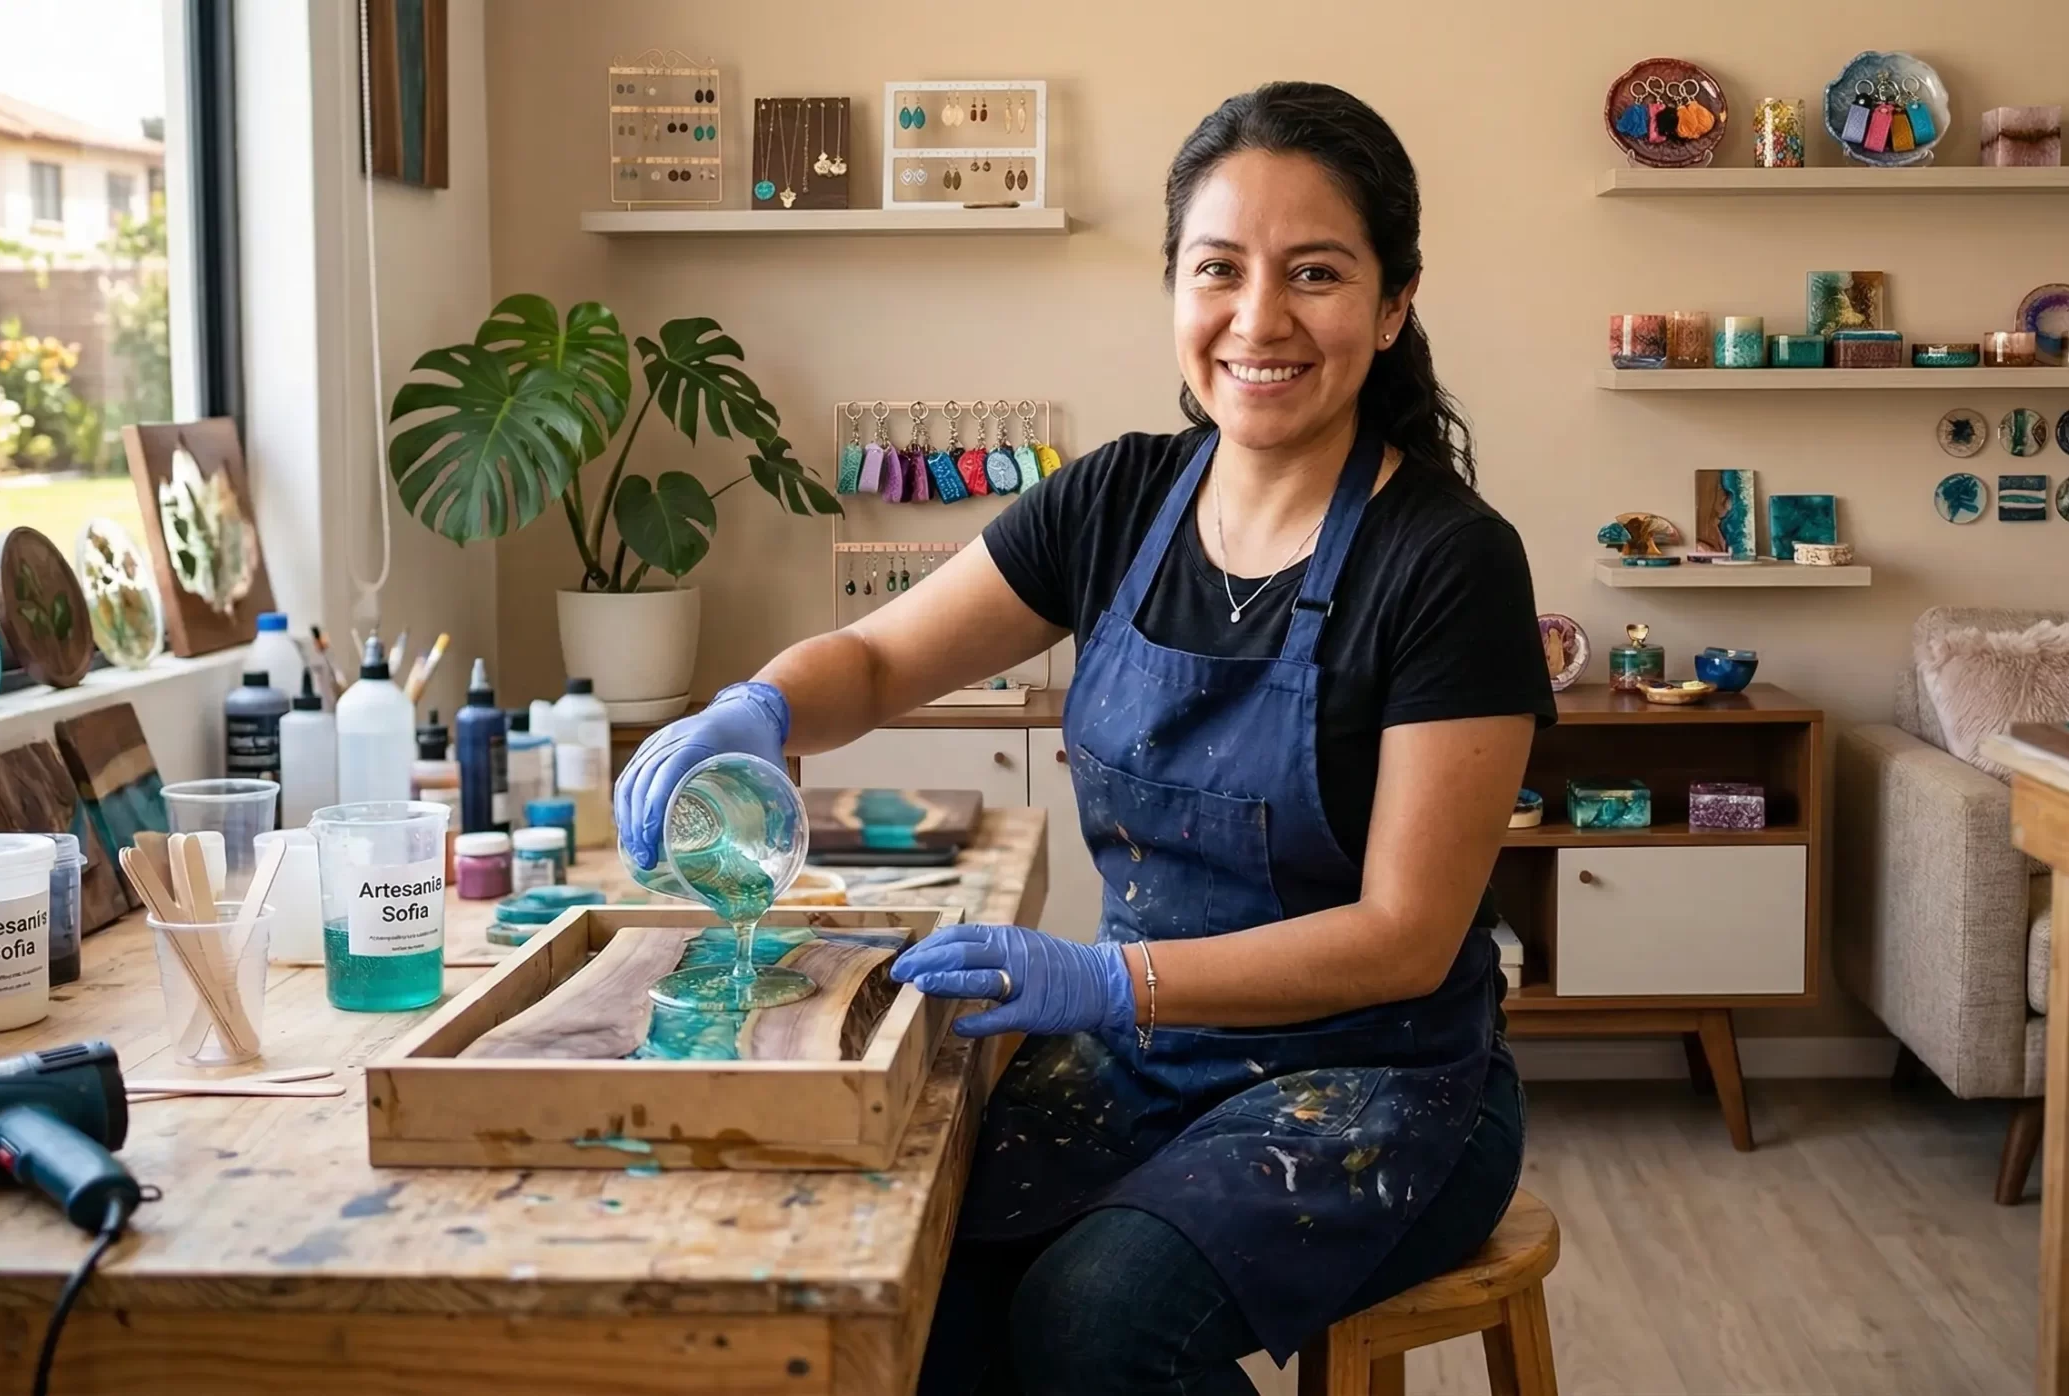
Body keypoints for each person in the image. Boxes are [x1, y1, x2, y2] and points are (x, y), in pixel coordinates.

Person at [614, 81, 1553, 1395]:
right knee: (915, 1273)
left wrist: (1113, 983)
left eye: (1318, 274)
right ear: (1175, 290)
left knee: (1096, 1320)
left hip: (1383, 1083)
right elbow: (882, 658)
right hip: (1146, 1061)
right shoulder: (1118, 501)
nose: (1260, 319)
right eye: (1218, 270)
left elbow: (1405, 935)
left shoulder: (1448, 563)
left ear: (1392, 305)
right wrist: (758, 706)